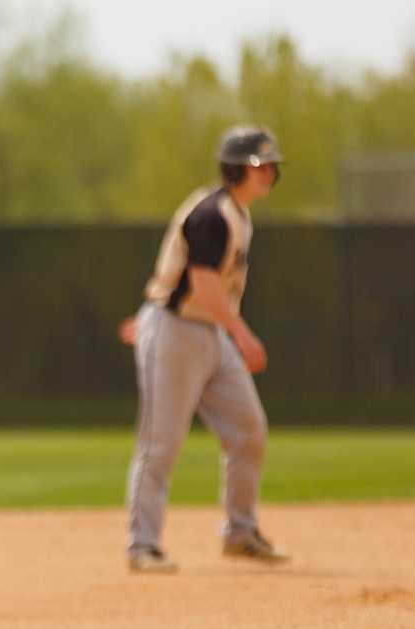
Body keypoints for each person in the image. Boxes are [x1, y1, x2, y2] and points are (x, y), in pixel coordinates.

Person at [121, 126, 292, 574]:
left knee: (248, 429)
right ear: (237, 168)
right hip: (178, 331)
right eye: (261, 165)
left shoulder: (238, 213)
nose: (270, 172)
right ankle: (142, 546)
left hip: (205, 332)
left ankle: (240, 533)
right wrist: (242, 333)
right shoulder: (212, 214)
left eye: (272, 165)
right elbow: (201, 282)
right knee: (160, 442)